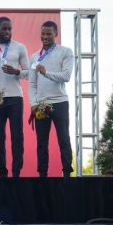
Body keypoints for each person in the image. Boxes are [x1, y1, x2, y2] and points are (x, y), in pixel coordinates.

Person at [0, 16, 30, 177]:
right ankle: (2, 172)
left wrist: (17, 72)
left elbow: (29, 72)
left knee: (17, 136)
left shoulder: (20, 47)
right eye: (4, 28)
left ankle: (16, 171)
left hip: (15, 98)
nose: (7, 32)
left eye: (10, 29)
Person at [28, 20, 74, 177]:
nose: (45, 36)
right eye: (43, 33)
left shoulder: (66, 52)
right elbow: (32, 83)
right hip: (41, 104)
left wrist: (46, 72)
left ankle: (67, 172)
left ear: (56, 34)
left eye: (49, 33)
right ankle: (42, 174)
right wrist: (33, 103)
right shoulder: (35, 56)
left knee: (63, 139)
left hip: (60, 102)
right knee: (42, 142)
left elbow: (66, 76)